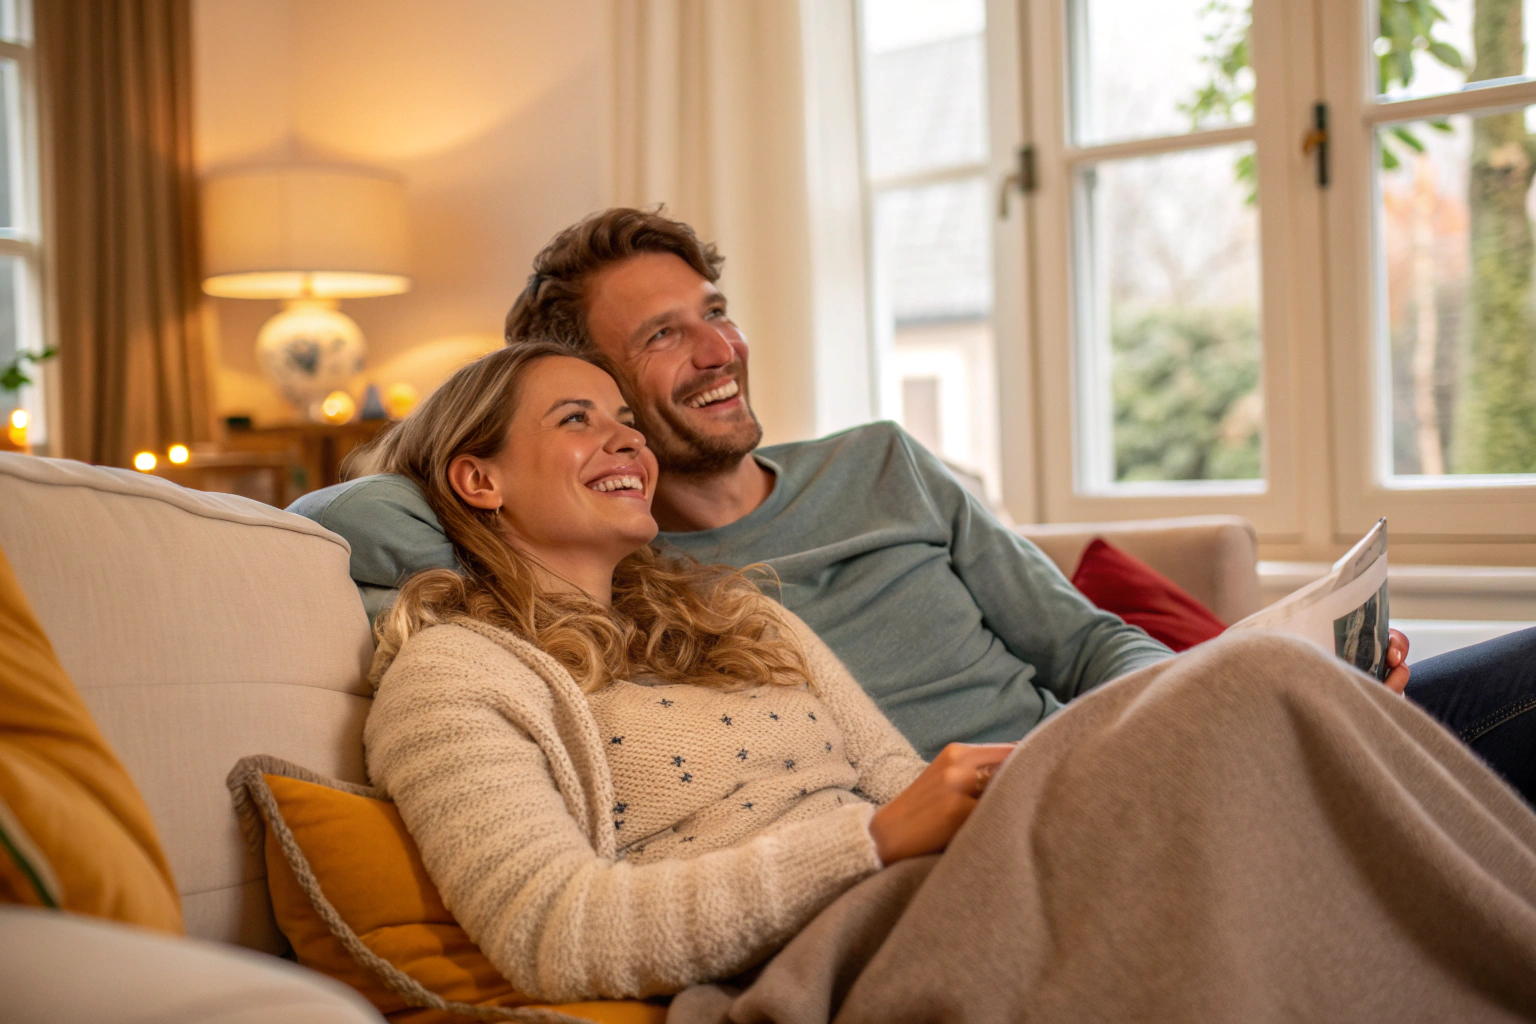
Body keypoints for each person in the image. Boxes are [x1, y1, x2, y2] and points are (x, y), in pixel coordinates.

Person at [358, 341, 1536, 1017]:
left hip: (951, 879)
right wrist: (867, 843)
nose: (627, 439)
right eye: (578, 420)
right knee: (1246, 691)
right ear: (477, 479)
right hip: (825, 958)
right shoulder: (457, 675)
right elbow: (556, 933)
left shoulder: (740, 615)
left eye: (626, 418)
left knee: (1265, 698)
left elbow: (909, 786)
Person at [500, 206, 1535, 802]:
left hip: (1137, 751)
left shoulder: (882, 461)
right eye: (663, 336)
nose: (719, 350)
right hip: (1010, 823)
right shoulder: (618, 579)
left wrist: (1206, 700)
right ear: (591, 386)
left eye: (715, 313)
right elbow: (404, 509)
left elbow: (1085, 643)